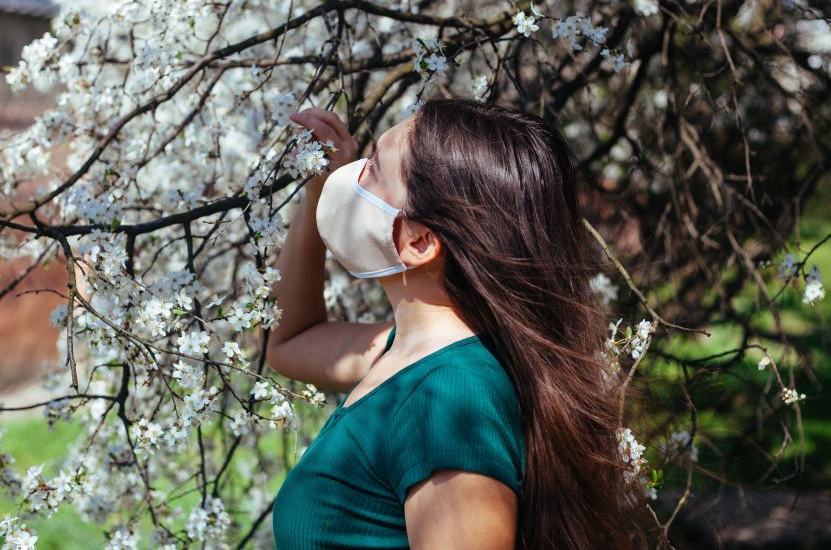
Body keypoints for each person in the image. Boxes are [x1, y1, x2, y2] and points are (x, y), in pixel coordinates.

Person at [266, 96, 651, 549]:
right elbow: (290, 341)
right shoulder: (413, 356)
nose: (349, 177)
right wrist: (319, 193)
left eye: (371, 166)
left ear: (420, 239)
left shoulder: (446, 400)